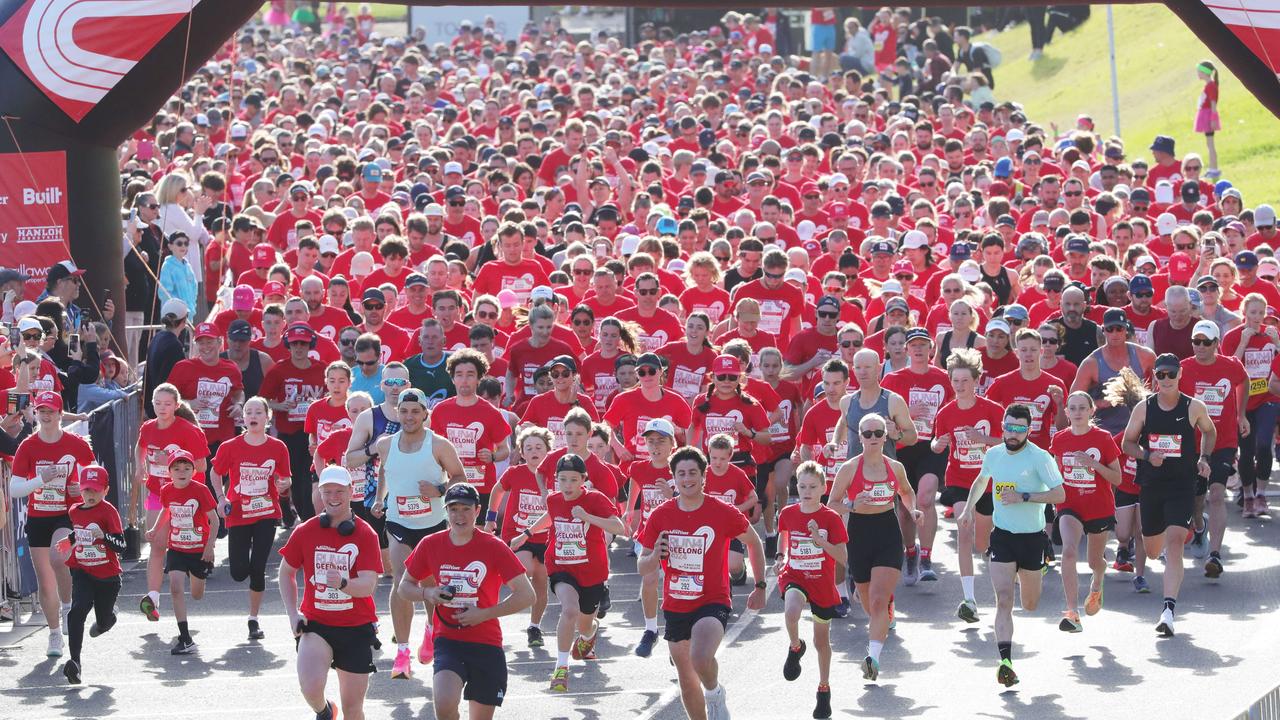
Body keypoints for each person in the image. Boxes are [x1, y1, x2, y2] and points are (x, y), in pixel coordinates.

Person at [637, 446, 767, 720]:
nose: (687, 478)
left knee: (700, 658)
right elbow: (643, 565)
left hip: (713, 599)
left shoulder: (722, 511)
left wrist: (761, 585)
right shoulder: (661, 515)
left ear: (703, 476)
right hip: (676, 603)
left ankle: (714, 693)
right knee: (686, 677)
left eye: (693, 473)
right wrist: (654, 555)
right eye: (681, 473)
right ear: (674, 478)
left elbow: (754, 542)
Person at [397, 483, 535, 720]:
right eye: (453, 509)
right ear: (446, 511)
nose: (459, 516)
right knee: (443, 704)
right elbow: (404, 587)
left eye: (466, 509)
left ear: (477, 511)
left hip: (486, 642)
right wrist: (428, 594)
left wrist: (484, 613)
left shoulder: (494, 547)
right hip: (448, 640)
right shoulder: (431, 544)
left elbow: (527, 594)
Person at [958, 403, 1066, 687]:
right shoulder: (994, 454)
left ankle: (1036, 570)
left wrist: (1025, 496)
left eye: (1019, 429)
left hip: (1032, 538)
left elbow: (1059, 494)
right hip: (1003, 536)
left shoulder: (1040, 457)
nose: (1013, 433)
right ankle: (1005, 661)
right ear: (1003, 426)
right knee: (1004, 599)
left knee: (1029, 605)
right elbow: (981, 481)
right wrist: (968, 509)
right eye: (1009, 427)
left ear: (1028, 430)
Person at [370, 387, 466, 678]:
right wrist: (379, 498)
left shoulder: (438, 444)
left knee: (429, 584)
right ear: (397, 413)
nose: (409, 416)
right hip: (399, 523)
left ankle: (431, 629)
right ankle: (402, 652)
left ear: (426, 414)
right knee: (402, 582)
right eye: (404, 411)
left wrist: (438, 490)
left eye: (415, 411)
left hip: (433, 526)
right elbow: (385, 470)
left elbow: (460, 477)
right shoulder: (386, 444)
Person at [1120, 353, 1217, 636]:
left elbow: (1210, 432)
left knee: (1175, 543)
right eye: (1160, 375)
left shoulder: (1193, 407)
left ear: (1180, 374)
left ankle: (1168, 611)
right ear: (1155, 377)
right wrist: (1148, 455)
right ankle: (1166, 545)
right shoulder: (1144, 408)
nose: (1165, 380)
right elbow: (1127, 444)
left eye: (1170, 374)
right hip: (1151, 486)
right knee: (1152, 551)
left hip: (1181, 485)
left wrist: (1204, 458)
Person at [512, 453, 625, 691]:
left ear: (583, 479)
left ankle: (588, 636)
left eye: (573, 480)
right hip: (561, 566)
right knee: (569, 609)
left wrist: (587, 517)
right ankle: (561, 668)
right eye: (562, 479)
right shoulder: (554, 500)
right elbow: (549, 516)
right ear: (556, 480)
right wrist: (526, 534)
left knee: (585, 624)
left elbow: (619, 527)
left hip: (592, 571)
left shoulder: (595, 499)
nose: (567, 485)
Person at [279, 466, 384, 720]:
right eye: (327, 492)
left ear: (350, 492)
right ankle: (324, 711)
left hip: (356, 628)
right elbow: (286, 573)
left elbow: (369, 584)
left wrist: (343, 584)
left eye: (339, 491)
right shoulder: (306, 531)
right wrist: (293, 614)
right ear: (320, 494)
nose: (333, 497)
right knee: (310, 688)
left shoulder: (365, 533)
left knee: (352, 708)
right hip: (317, 624)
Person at [829, 412, 921, 683]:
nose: (872, 438)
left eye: (877, 433)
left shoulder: (895, 467)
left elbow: (906, 491)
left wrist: (913, 510)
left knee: (879, 601)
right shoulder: (849, 468)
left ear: (885, 437)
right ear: (859, 436)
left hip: (887, 533)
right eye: (866, 433)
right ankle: (874, 605)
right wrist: (850, 505)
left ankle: (873, 659)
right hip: (858, 534)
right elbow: (832, 503)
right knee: (871, 606)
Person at [9, 390, 97, 657]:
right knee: (45, 582)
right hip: (38, 517)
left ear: (60, 415)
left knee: (59, 559)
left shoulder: (76, 443)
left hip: (65, 514)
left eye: (51, 411)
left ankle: (69, 605)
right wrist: (40, 480)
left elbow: (94, 477)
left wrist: (80, 490)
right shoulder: (28, 445)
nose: (46, 416)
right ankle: (54, 634)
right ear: (36, 414)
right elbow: (14, 488)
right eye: (42, 411)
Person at [932, 348, 1005, 622]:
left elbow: (1010, 442)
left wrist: (982, 440)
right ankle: (969, 600)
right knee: (964, 530)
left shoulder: (993, 410)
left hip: (988, 480)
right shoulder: (946, 413)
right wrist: (937, 444)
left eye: (965, 380)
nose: (960, 386)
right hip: (960, 480)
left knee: (981, 542)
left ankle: (999, 572)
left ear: (976, 380)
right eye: (955, 380)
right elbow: (937, 442)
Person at [211, 396, 292, 639]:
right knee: (238, 572)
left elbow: (285, 478)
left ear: (267, 417)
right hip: (238, 513)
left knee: (258, 568)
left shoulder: (278, 447)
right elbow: (216, 474)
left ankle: (253, 619)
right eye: (249, 412)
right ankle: (251, 608)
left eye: (258, 412)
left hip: (266, 513)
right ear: (243, 418)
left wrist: (284, 484)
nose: (253, 416)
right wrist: (221, 498)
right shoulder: (230, 447)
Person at [775, 461, 846, 717]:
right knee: (791, 611)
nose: (806, 491)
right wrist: (780, 557)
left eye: (812, 487)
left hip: (822, 583)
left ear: (823, 488)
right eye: (802, 486)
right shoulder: (788, 513)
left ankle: (823, 690)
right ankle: (795, 646)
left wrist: (820, 541)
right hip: (795, 575)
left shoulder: (831, 518)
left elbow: (843, 556)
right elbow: (784, 538)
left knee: (821, 642)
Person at [882, 327, 953, 584]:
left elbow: (956, 409)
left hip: (932, 447)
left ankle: (926, 558)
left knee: (925, 497)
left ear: (931, 348)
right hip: (902, 447)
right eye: (914, 345)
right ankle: (910, 551)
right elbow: (881, 414)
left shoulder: (944, 378)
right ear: (906, 349)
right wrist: (906, 413)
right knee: (905, 508)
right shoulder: (892, 380)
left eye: (924, 344)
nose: (919, 349)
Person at [1050, 392, 1123, 631]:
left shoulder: (1102, 438)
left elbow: (1117, 478)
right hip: (1069, 506)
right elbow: (1054, 473)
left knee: (1094, 561)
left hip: (1098, 507)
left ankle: (1098, 583)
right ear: (1067, 412)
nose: (1078, 412)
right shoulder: (1060, 440)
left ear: (1092, 411)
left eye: (1083, 408)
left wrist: (1093, 465)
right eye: (1073, 408)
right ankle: (1072, 612)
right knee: (1069, 552)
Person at [1183, 319, 1248, 576]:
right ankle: (1200, 527)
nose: (1200, 346)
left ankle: (1216, 555)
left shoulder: (1230, 365)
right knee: (1195, 499)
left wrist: (1241, 415)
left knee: (1217, 494)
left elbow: (1244, 383)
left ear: (1216, 344)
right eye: (1196, 342)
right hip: (1192, 444)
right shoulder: (1183, 368)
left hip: (1223, 441)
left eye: (1206, 342)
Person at [487, 426, 554, 647]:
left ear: (548, 451)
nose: (534, 451)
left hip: (545, 538)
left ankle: (534, 627)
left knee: (541, 584)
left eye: (539, 447)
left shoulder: (555, 476)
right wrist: (490, 518)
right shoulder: (515, 473)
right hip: (516, 536)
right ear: (522, 453)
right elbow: (497, 490)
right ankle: (492, 614)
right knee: (525, 570)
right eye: (529, 448)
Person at [148, 448, 219, 655]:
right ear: (169, 472)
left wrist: (209, 547)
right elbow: (166, 510)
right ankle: (185, 638)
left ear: (193, 471)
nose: (181, 471)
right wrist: (155, 529)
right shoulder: (167, 490)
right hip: (177, 548)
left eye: (186, 468)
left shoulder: (200, 490)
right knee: (175, 588)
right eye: (177, 468)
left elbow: (214, 521)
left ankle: (200, 575)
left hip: (199, 550)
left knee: (197, 595)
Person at [61, 464, 125, 684]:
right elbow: (79, 530)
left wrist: (104, 536)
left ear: (105, 490)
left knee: (103, 621)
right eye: (86, 489)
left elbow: (122, 545)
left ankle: (108, 619)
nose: (90, 494)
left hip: (107, 576)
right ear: (80, 489)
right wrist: (69, 540)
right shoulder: (74, 511)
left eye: (96, 490)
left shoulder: (109, 512)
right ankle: (75, 663)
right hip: (82, 570)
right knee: (76, 611)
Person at [432, 349, 512, 515]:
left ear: (478, 378)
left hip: (481, 487)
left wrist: (493, 456)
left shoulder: (491, 412)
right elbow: (433, 448)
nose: (464, 380)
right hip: (450, 485)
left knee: (479, 533)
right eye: (459, 374)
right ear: (453, 379)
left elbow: (505, 449)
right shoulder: (440, 410)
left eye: (470, 374)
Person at [260, 322, 327, 521]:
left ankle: (308, 519)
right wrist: (280, 406)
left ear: (310, 345)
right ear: (288, 344)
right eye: (295, 343)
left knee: (310, 479)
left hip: (313, 434)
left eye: (303, 344)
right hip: (289, 434)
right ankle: (290, 507)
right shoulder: (279, 370)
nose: (299, 347)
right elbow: (262, 399)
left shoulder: (321, 369)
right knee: (293, 478)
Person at [1194, 60, 1222, 177]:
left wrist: (1213, 118)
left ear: (1204, 72)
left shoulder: (1211, 86)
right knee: (1209, 143)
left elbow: (1213, 103)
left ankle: (1214, 169)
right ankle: (1212, 168)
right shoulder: (1209, 85)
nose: (1197, 74)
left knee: (1210, 144)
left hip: (1208, 116)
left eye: (1199, 71)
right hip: (1207, 115)